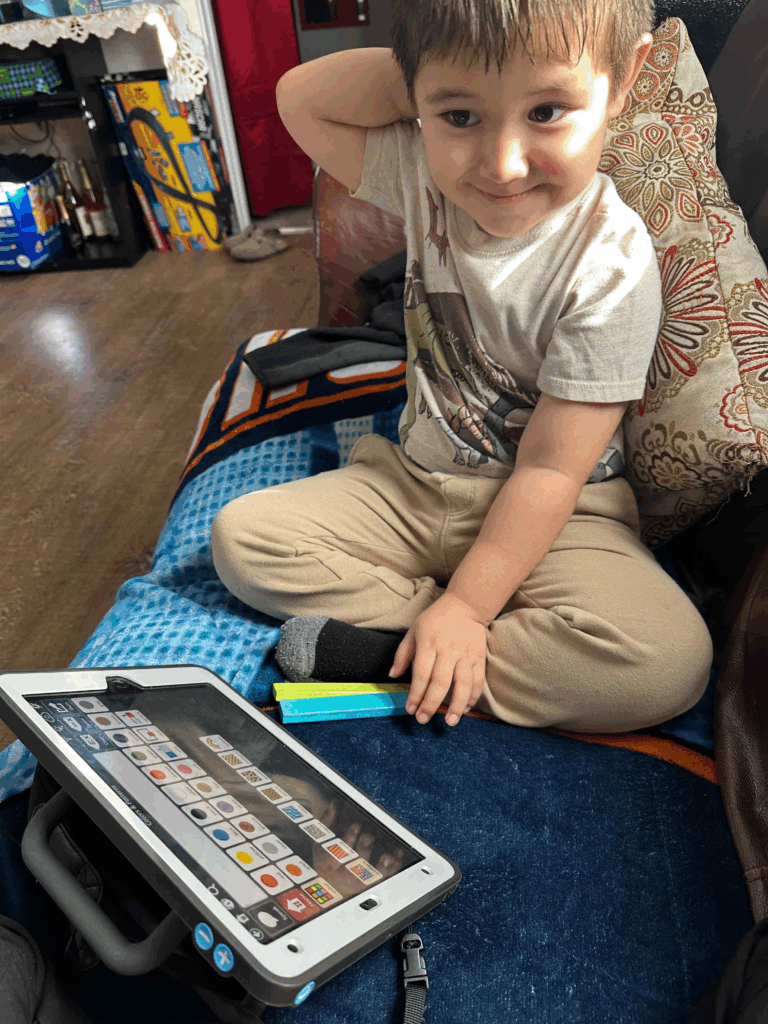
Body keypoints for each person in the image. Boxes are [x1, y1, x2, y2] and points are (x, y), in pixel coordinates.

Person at [211, 0, 714, 736]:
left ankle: (406, 650)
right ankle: (436, 644)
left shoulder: (612, 262)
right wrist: (430, 75)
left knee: (667, 663)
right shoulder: (424, 176)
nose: (503, 165)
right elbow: (299, 98)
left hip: (562, 514)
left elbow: (550, 471)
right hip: (413, 487)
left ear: (623, 77)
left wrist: (470, 606)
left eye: (547, 109)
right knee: (242, 540)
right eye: (460, 118)